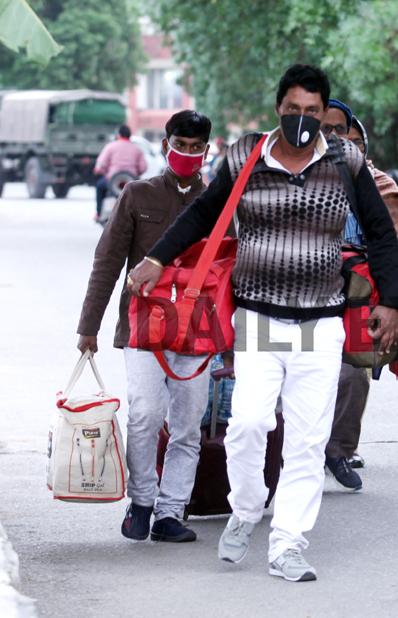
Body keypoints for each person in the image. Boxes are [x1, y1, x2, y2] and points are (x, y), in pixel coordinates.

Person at [127, 65, 398, 582]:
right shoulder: (245, 156)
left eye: (313, 112)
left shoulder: (347, 161)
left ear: (326, 114)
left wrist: (393, 301)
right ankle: (248, 507)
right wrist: (159, 259)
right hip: (260, 317)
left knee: (306, 439)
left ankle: (288, 544)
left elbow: (381, 233)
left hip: (321, 323)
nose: (303, 120)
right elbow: (202, 216)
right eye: (294, 110)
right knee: (249, 425)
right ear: (279, 108)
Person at [77, 110, 214, 543]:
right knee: (145, 416)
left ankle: (171, 512)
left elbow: (229, 272)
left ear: (207, 151)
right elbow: (107, 262)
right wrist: (89, 327)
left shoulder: (216, 203)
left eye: (196, 148)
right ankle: (141, 502)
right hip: (142, 328)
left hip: (198, 332)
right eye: (181, 145)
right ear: (164, 146)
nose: (188, 155)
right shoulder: (137, 195)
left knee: (188, 424)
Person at [320, 103, 398, 491]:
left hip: (359, 296)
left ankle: (338, 450)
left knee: (352, 374)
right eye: (323, 127)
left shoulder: (374, 184)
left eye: (341, 130)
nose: (333, 136)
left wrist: (391, 301)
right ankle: (298, 454)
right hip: (300, 296)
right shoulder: (289, 176)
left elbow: (395, 244)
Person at [93, 125, 147, 220]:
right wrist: (136, 174)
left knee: (99, 187)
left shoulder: (110, 146)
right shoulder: (137, 149)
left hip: (112, 181)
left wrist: (104, 172)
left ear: (118, 135)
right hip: (132, 181)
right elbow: (143, 167)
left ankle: (98, 214)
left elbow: (101, 165)